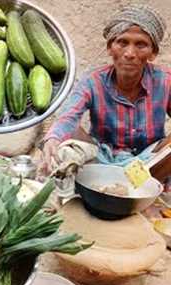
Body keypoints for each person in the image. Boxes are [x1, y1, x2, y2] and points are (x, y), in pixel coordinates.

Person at [40, 5, 171, 182]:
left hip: (147, 164)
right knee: (68, 134)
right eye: (122, 43)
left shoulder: (164, 81)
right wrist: (53, 139)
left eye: (141, 45)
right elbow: (68, 116)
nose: (130, 53)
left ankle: (142, 185)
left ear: (153, 53)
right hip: (99, 158)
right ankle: (97, 182)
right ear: (110, 48)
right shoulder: (92, 81)